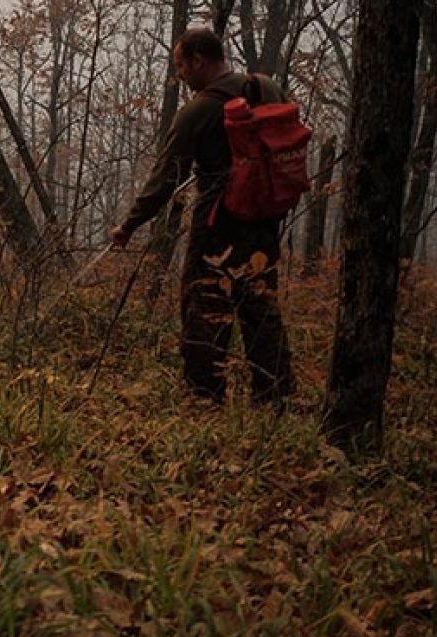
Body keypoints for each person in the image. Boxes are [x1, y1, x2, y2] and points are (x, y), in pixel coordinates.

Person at [109, 27, 295, 405]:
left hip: (217, 226)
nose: (179, 74)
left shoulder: (197, 110)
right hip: (264, 222)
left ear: (198, 60)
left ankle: (203, 398)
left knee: (204, 307)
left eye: (181, 65)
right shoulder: (266, 87)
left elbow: (163, 180)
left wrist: (129, 224)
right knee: (260, 306)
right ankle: (274, 396)